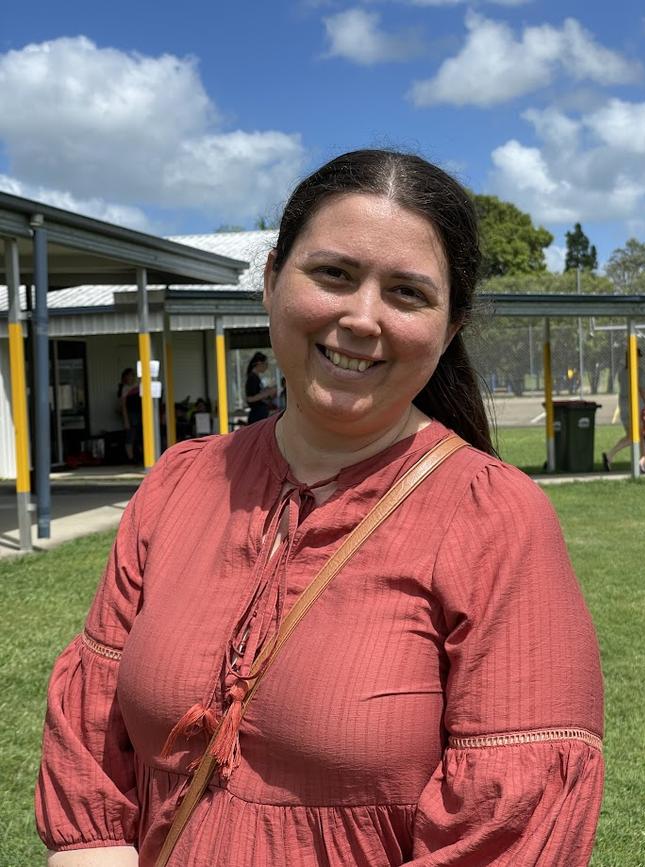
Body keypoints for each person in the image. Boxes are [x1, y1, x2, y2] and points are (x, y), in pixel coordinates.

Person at [36, 150, 604, 866]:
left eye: (406, 293)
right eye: (333, 273)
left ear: (450, 326)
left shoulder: (495, 518)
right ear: (273, 280)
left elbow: (506, 832)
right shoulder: (178, 483)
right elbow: (92, 751)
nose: (361, 317)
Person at [603, 348, 645, 471]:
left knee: (637, 436)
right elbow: (644, 392)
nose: (639, 359)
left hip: (624, 408)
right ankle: (610, 455)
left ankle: (642, 463)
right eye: (638, 357)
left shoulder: (622, 373)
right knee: (636, 436)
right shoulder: (640, 373)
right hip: (637, 408)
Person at [245, 351, 277, 423]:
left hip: (260, 413)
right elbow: (250, 398)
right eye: (266, 364)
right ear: (259, 363)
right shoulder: (252, 378)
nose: (267, 367)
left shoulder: (256, 377)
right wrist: (266, 393)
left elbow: (257, 394)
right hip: (256, 415)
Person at [117, 367, 141, 463]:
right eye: (129, 375)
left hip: (139, 414)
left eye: (132, 375)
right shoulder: (124, 388)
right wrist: (126, 419)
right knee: (130, 436)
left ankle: (140, 456)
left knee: (139, 436)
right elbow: (123, 405)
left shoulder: (138, 386)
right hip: (131, 415)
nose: (131, 377)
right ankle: (131, 458)